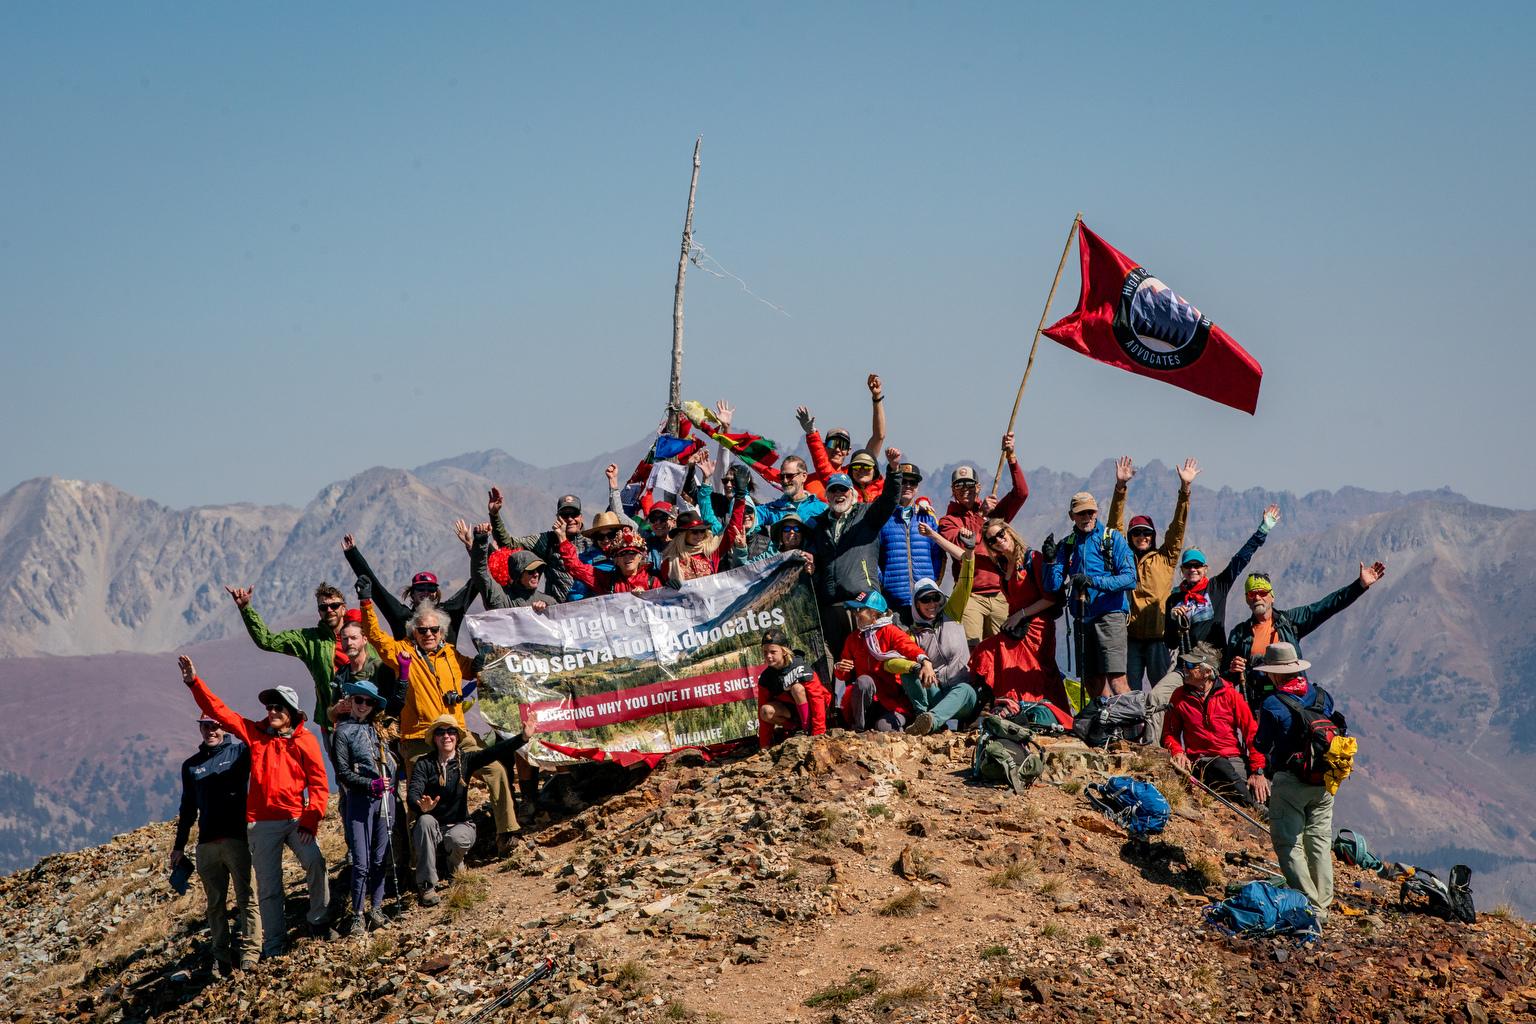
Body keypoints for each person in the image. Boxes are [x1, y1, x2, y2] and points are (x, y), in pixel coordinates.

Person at [179, 656, 331, 957]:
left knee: (315, 863)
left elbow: (319, 785)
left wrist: (311, 820)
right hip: (261, 825)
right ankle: (274, 945)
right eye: (269, 707)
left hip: (296, 818)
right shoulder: (255, 734)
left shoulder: (306, 741)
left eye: (278, 707)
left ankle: (318, 921)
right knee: (268, 888)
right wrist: (194, 683)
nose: (271, 711)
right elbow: (219, 712)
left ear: (290, 712)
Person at [357, 581, 522, 851]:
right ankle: (420, 861)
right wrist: (366, 602)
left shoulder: (451, 655)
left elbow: (471, 669)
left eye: (434, 630)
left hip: (457, 735)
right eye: (422, 630)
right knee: (417, 799)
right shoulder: (402, 654)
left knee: (495, 771)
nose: (429, 634)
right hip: (419, 739)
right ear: (413, 632)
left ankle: (507, 833)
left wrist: (480, 663)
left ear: (442, 631)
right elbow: (374, 635)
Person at [1252, 642, 1339, 919]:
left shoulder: (1272, 703)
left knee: (1289, 843)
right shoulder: (1323, 696)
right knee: (1319, 841)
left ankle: (1310, 905)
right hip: (1324, 781)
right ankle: (1323, 902)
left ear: (1275, 674)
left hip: (1291, 781)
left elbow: (1262, 744)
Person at [1224, 560, 1386, 707]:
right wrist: (1232, 670)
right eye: (1252, 594)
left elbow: (1326, 606)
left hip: (1294, 702)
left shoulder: (1289, 621)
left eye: (1262, 592)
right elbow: (1225, 678)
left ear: (1272, 596)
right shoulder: (1239, 634)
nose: (1258, 597)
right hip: (1258, 706)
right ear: (1247, 599)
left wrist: (1359, 586)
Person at [408, 714, 530, 904]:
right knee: (424, 821)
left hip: (459, 824)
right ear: (434, 738)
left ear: (457, 737)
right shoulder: (424, 764)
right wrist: (420, 805)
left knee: (457, 839)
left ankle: (454, 863)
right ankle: (427, 887)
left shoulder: (465, 760)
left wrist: (522, 738)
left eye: (451, 732)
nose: (446, 736)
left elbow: (494, 752)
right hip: (433, 826)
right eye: (440, 732)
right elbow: (413, 791)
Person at [171, 713, 256, 974]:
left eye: (216, 726)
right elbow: (187, 808)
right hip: (207, 842)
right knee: (215, 903)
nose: (211, 731)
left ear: (224, 727)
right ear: (200, 728)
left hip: (237, 837)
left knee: (248, 897)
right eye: (206, 726)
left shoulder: (241, 753)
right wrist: (179, 845)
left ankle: (250, 954)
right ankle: (221, 956)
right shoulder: (191, 765)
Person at [1105, 456, 1198, 690]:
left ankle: (1164, 728)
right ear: (1130, 537)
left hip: (1159, 641)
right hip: (1131, 640)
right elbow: (1114, 527)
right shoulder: (1122, 557)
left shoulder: (1165, 558)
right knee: (1129, 694)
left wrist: (1185, 490)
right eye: (1137, 533)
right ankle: (1134, 729)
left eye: (1146, 533)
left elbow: (1177, 530)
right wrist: (1120, 488)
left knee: (1164, 695)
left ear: (1153, 536)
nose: (1142, 537)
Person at [808, 455, 902, 680]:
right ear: (827, 495)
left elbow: (889, 499)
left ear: (852, 493)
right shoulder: (819, 524)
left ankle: (872, 711)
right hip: (831, 605)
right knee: (838, 663)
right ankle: (839, 712)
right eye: (833, 491)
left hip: (863, 603)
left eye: (843, 490)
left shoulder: (867, 515)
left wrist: (894, 470)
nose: (839, 495)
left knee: (867, 660)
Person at [967, 519, 1071, 721]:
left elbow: (1050, 598)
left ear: (1009, 531)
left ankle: (1026, 708)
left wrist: (1021, 615)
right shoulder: (1002, 565)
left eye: (1000, 534)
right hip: (1017, 626)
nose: (998, 540)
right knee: (985, 651)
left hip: (1037, 626)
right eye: (991, 540)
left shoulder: (1033, 558)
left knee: (1023, 667)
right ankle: (994, 703)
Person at [937, 432, 1029, 644]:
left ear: (978, 487)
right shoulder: (948, 521)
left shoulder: (994, 513)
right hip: (971, 596)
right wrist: (983, 519)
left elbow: (1021, 493)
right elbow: (965, 549)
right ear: (952, 491)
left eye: (970, 485)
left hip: (1000, 594)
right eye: (959, 486)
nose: (965, 490)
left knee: (1005, 648)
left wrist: (1011, 457)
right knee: (973, 650)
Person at [226, 582, 351, 734]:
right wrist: (246, 609)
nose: (329, 610)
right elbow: (267, 641)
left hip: (364, 714)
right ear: (319, 612)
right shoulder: (308, 639)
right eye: (323, 607)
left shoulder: (359, 635)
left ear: (343, 608)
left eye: (335, 606)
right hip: (333, 722)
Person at [1046, 492, 1138, 697]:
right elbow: (1053, 585)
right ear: (1072, 516)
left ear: (1096, 513)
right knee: (1092, 681)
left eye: (1090, 512)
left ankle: (1136, 727)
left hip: (1110, 615)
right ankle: (1107, 726)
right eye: (1081, 513)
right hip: (1082, 618)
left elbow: (1130, 578)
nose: (1086, 517)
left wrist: (1093, 582)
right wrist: (1051, 561)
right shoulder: (1067, 544)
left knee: (1116, 678)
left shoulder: (1112, 539)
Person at [1160, 643, 1270, 807]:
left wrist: (1258, 771)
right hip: (1201, 761)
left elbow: (1252, 733)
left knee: (1267, 789)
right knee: (1219, 766)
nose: (1184, 668)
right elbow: (1169, 733)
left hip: (1234, 759)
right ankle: (1255, 809)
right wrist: (1177, 751)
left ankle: (1263, 809)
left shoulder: (1230, 694)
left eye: (1190, 665)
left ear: (1207, 672)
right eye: (1185, 664)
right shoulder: (1179, 696)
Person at [1163, 504, 1279, 656]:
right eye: (1188, 566)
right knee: (1167, 682)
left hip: (1213, 658)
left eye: (1197, 565)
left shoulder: (1217, 587)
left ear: (1205, 569)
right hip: (1186, 661)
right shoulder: (1174, 599)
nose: (1193, 569)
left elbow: (1239, 560)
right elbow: (1170, 643)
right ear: (1182, 570)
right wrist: (1173, 619)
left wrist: (1262, 531)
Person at [330, 680, 398, 935]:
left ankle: (377, 908)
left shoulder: (380, 731)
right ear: (350, 701)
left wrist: (388, 783)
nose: (363, 706)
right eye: (359, 700)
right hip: (359, 800)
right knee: (361, 860)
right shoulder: (342, 732)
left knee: (380, 857)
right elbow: (343, 772)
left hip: (385, 799)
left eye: (368, 702)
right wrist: (370, 784)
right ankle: (358, 914)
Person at [489, 479, 627, 601]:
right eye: (565, 515)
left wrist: (613, 485)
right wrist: (495, 515)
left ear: (581, 517)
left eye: (574, 514)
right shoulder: (546, 541)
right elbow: (508, 544)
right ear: (558, 517)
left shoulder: (595, 539)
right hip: (559, 613)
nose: (570, 519)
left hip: (591, 612)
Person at [342, 533, 476, 645]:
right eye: (421, 588)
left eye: (431, 588)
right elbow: (378, 591)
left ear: (436, 593)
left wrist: (474, 548)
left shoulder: (451, 613)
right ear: (412, 594)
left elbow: (477, 582)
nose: (426, 592)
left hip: (447, 675)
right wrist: (353, 554)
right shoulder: (402, 618)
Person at [832, 590, 937, 733]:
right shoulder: (853, 638)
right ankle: (859, 729)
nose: (855, 614)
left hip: (892, 702)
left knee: (885, 728)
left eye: (859, 609)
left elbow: (909, 648)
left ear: (873, 614)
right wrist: (839, 667)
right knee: (863, 681)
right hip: (867, 704)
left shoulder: (890, 631)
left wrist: (926, 662)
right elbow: (843, 676)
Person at [901, 575, 980, 734]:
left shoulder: (953, 615)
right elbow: (891, 664)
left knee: (964, 689)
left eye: (935, 597)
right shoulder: (913, 634)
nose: (932, 604)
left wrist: (969, 556)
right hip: (936, 693)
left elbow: (964, 582)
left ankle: (929, 722)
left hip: (963, 698)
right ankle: (923, 717)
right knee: (908, 671)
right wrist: (923, 664)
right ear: (916, 604)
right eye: (925, 599)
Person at [876, 461, 944, 622]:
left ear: (917, 487)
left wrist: (932, 580)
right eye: (902, 481)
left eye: (912, 482)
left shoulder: (928, 517)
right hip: (895, 603)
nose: (907, 485)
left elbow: (938, 554)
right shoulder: (883, 518)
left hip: (926, 602)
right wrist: (882, 581)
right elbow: (874, 556)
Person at [797, 373, 887, 493]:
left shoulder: (857, 475)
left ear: (848, 450)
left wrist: (877, 397)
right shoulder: (807, 482)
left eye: (843, 445)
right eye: (833, 443)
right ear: (823, 446)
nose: (838, 450)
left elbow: (878, 437)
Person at [755, 627, 833, 748]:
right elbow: (762, 709)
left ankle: (807, 730)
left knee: (797, 688)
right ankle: (795, 729)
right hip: (792, 713)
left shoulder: (800, 667)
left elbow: (817, 697)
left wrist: (819, 732)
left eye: (773, 652)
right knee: (765, 711)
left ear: (784, 651)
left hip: (817, 708)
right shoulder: (766, 678)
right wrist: (764, 745)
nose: (768, 656)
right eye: (765, 652)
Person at [472, 527, 558, 611]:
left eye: (539, 570)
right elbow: (481, 574)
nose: (536, 574)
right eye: (531, 571)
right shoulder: (502, 600)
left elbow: (561, 614)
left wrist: (548, 607)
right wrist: (480, 541)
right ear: (518, 574)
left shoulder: (547, 600)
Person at [562, 526, 663, 594]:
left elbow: (664, 608)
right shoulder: (607, 581)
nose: (627, 558)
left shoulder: (652, 582)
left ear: (640, 556)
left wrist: (647, 597)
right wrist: (562, 537)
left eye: (632, 553)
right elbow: (575, 567)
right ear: (616, 560)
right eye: (622, 554)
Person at [756, 456, 829, 529]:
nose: (785, 481)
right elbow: (749, 515)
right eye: (782, 477)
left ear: (804, 476)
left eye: (789, 476)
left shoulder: (822, 510)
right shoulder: (772, 508)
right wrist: (744, 493)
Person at [661, 508, 725, 585]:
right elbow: (660, 590)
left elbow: (732, 531)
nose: (699, 536)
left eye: (702, 531)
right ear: (683, 535)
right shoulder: (669, 562)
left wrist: (739, 500)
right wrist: (667, 585)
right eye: (694, 532)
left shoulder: (709, 552)